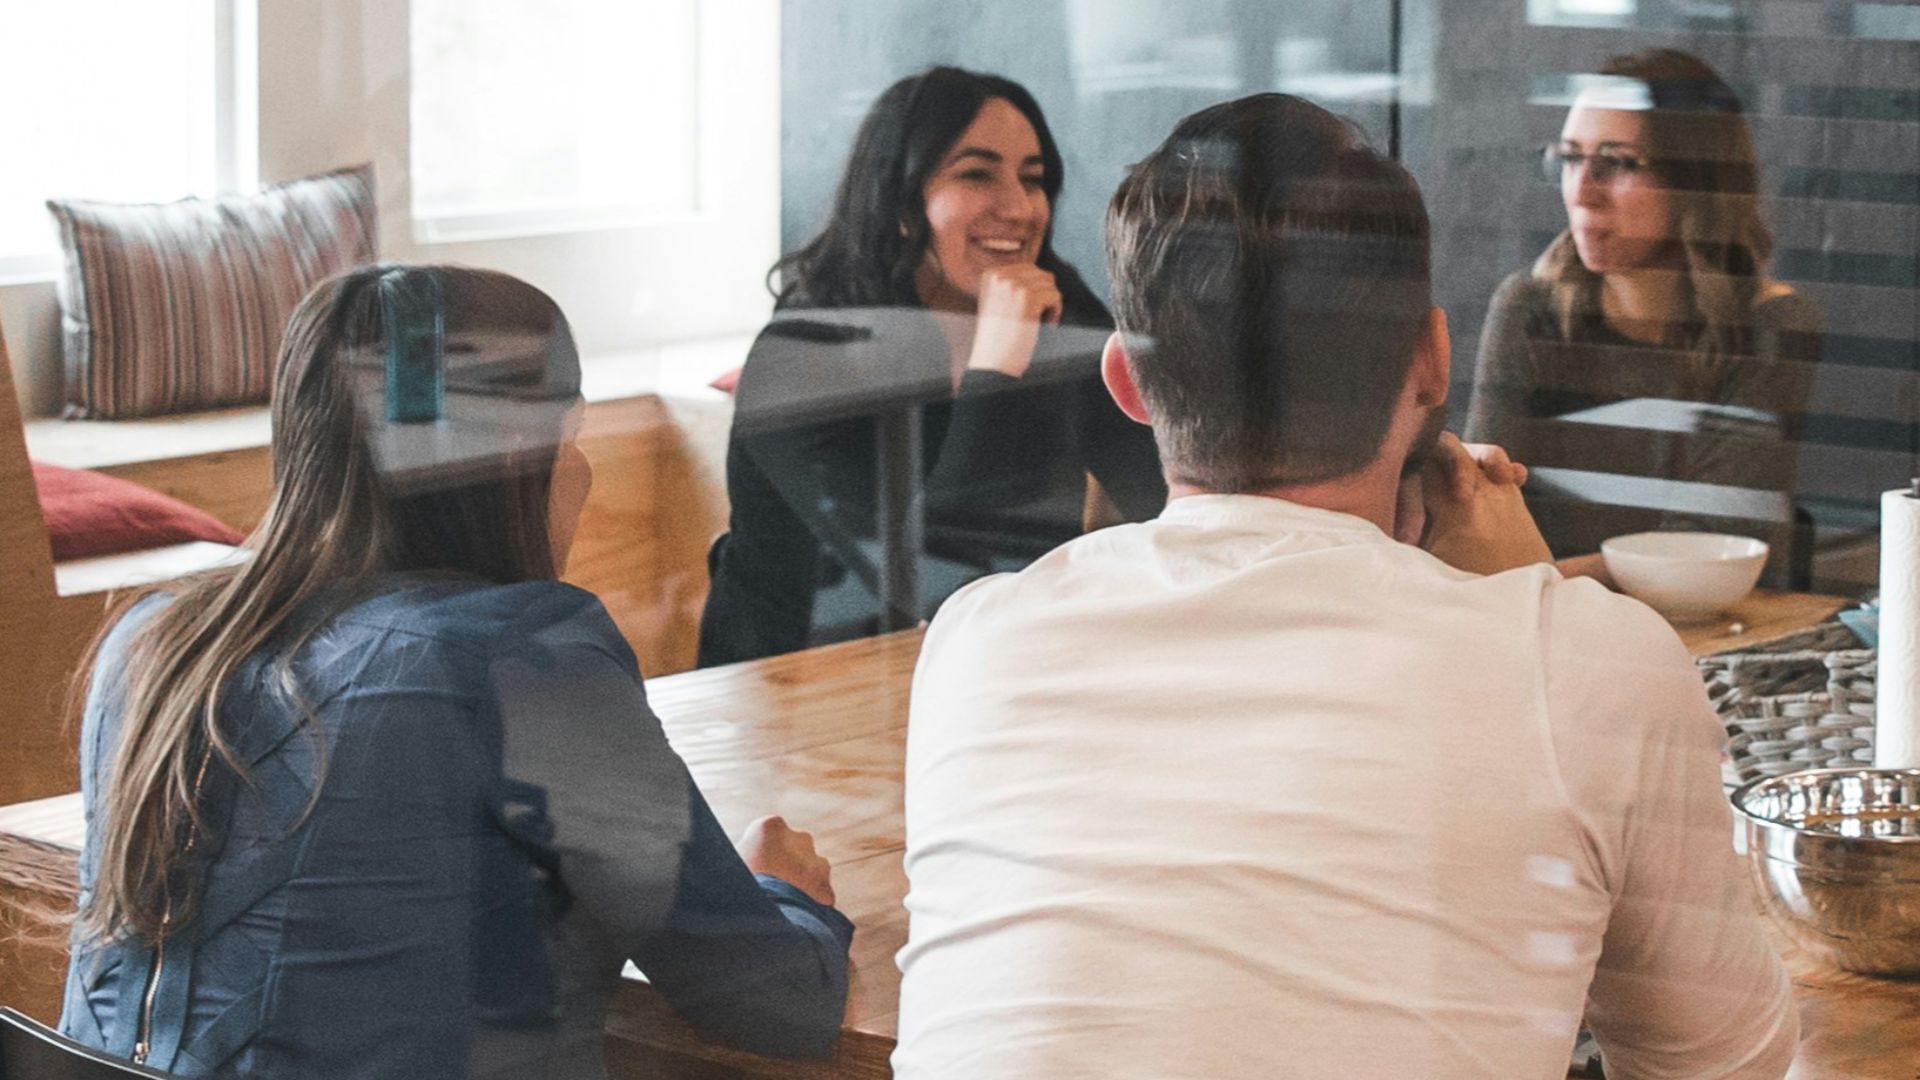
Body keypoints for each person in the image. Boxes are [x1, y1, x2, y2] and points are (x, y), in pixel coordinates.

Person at [894, 95, 1796, 1079]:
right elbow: (1720, 1067)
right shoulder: (1595, 668)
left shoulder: (975, 644)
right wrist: (1534, 599)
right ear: (1433, 359)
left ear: (1126, 380)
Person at [60, 265, 853, 1079]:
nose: (580, 472)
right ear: (517, 444)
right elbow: (776, 1002)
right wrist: (784, 893)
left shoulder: (151, 647)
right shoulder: (517, 662)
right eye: (572, 438)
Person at [698, 66, 1166, 667]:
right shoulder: (803, 353)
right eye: (976, 174)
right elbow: (926, 583)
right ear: (898, 201)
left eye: (1034, 179)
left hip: (995, 669)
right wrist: (997, 366)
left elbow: (1166, 491)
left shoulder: (1058, 310)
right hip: (798, 689)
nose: (1020, 208)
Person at [1465, 48, 1822, 581]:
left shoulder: (1771, 324)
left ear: (1694, 181)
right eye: (1569, 158)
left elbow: (1711, 548)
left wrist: (1526, 580)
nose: (1582, 192)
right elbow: (1477, 512)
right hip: (1548, 624)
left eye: (1619, 163)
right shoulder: (1530, 306)